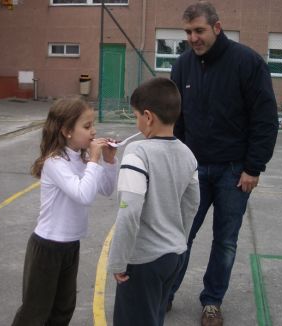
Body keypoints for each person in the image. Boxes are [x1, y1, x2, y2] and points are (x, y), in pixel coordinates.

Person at [168, 2, 279, 325]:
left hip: (234, 172)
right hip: (193, 170)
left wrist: (253, 167)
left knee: (225, 240)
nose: (193, 38)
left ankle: (212, 302)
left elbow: (265, 119)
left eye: (199, 30)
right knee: (180, 236)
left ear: (217, 27)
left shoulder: (248, 63)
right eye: (188, 32)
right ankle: (167, 292)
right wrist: (178, 161)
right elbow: (177, 120)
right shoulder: (183, 65)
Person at [11, 97, 118, 326]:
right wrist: (94, 161)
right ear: (67, 131)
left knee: (63, 308)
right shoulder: (55, 162)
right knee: (35, 311)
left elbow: (107, 189)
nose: (93, 131)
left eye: (93, 125)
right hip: (48, 246)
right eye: (87, 126)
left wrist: (108, 162)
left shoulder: (81, 159)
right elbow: (83, 195)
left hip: (70, 244)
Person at [107, 77, 200, 326]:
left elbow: (129, 211)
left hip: (143, 262)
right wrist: (178, 239)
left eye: (136, 115)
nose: (136, 121)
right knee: (154, 317)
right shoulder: (188, 154)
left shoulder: (137, 153)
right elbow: (192, 205)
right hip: (174, 256)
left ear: (148, 117)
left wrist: (117, 260)